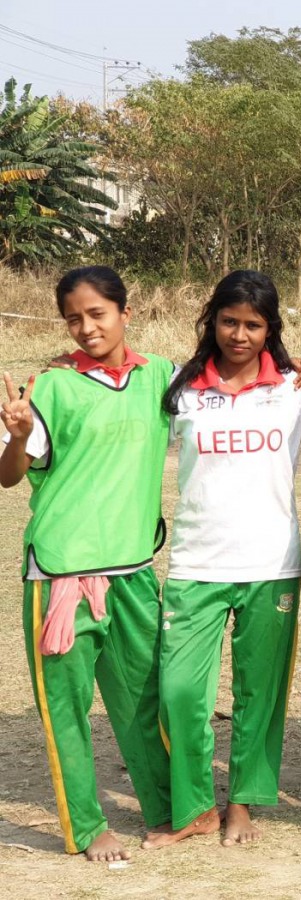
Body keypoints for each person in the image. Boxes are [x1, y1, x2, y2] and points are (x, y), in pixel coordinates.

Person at [0, 266, 173, 861]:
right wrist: (18, 435)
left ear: (126, 311)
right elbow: (8, 476)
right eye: (73, 318)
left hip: (130, 571)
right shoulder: (48, 388)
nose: (86, 327)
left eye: (97, 313)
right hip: (60, 576)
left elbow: (240, 372)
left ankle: (167, 809)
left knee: (146, 699)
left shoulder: (160, 378)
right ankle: (88, 827)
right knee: (67, 710)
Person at [151, 270, 301, 848]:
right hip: (196, 561)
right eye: (229, 322)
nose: (240, 335)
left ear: (271, 328)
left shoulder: (299, 389)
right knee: (178, 692)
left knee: (259, 694)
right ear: (211, 320)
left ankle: (244, 801)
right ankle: (196, 806)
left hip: (271, 562)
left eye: (253, 324)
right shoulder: (179, 386)